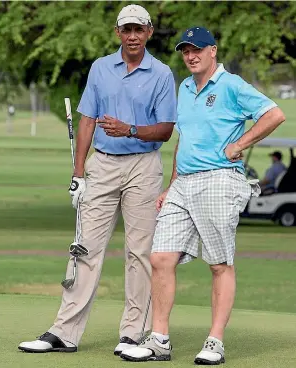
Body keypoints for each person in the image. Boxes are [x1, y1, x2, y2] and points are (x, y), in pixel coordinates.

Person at [120, 26, 285, 364]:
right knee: (161, 258)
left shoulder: (232, 85)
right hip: (184, 183)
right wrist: (171, 184)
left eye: (197, 49)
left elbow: (274, 114)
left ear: (213, 51)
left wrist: (239, 145)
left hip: (219, 179)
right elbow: (185, 139)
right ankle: (160, 340)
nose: (190, 56)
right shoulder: (184, 86)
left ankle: (214, 342)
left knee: (219, 264)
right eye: (185, 51)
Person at [18, 4, 177, 355]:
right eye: (127, 29)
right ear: (117, 32)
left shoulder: (163, 74)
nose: (133, 35)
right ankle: (64, 331)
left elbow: (166, 130)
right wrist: (79, 173)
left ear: (149, 32)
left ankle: (133, 334)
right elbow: (87, 120)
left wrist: (129, 129)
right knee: (85, 247)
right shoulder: (101, 68)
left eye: (139, 29)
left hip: (143, 166)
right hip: (102, 165)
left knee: (140, 253)